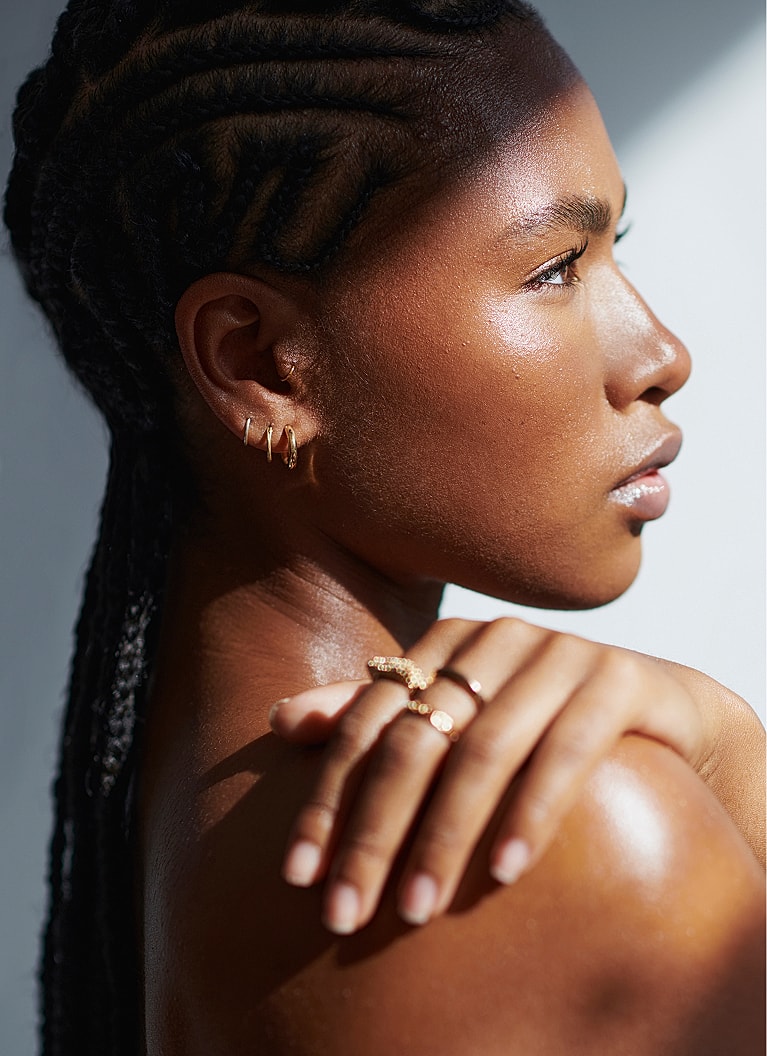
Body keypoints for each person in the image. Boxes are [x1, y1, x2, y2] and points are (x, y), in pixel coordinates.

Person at [4, 1, 763, 1054]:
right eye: (554, 268)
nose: (660, 352)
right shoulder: (556, 835)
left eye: (613, 246)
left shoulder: (170, 830)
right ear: (261, 364)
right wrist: (735, 772)